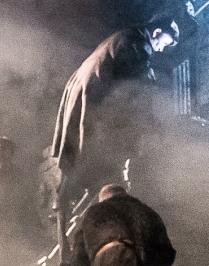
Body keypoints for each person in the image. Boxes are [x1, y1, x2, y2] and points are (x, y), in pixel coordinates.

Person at [44, 17, 180, 205]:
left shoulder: (121, 37)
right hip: (94, 102)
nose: (161, 49)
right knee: (101, 156)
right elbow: (140, 85)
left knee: (78, 158)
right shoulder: (137, 42)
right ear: (156, 32)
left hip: (83, 98)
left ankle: (65, 201)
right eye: (163, 43)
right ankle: (95, 196)